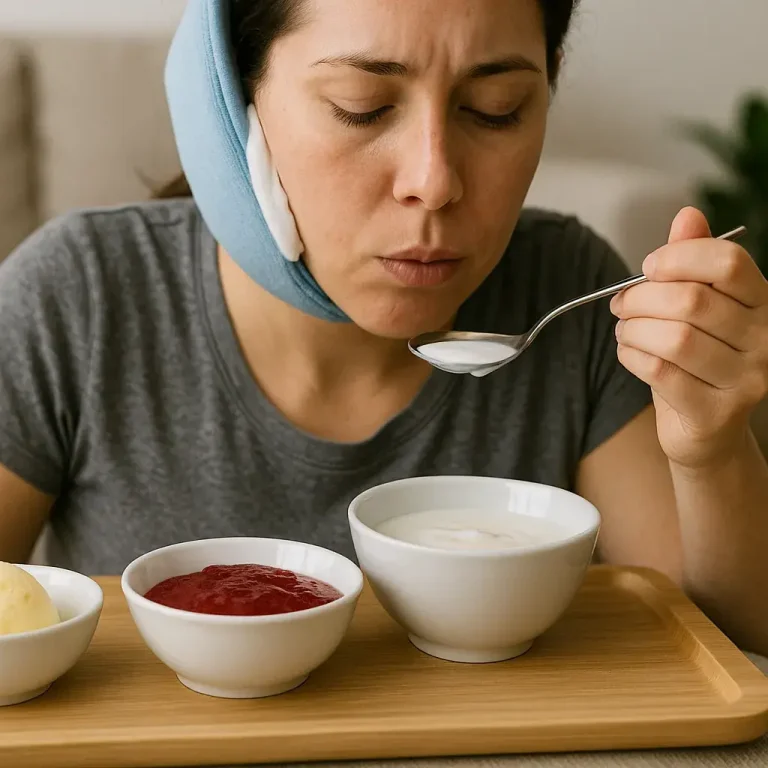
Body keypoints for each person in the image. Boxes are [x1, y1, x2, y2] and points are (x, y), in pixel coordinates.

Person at [1, 0, 767, 656]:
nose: (434, 182)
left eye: (495, 108)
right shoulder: (79, 297)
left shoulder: (574, 292)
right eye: (361, 106)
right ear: (230, 101)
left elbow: (719, 651)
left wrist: (710, 447)